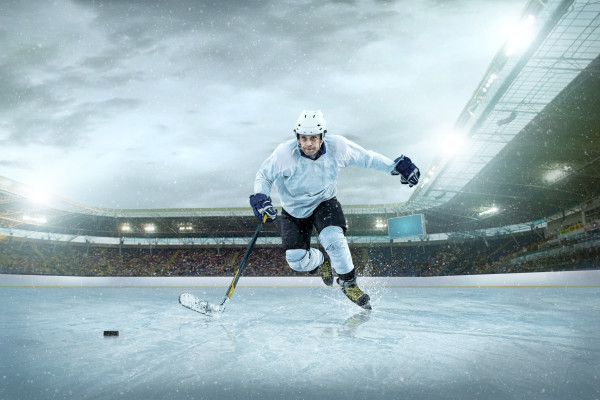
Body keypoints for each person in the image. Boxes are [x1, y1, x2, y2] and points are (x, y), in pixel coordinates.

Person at [250, 110, 420, 309]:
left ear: (323, 136)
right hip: (293, 211)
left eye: (313, 138)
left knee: (333, 239)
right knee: (295, 260)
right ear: (297, 137)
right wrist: (262, 198)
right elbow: (263, 176)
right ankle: (321, 261)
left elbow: (368, 158)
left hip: (324, 202)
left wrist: (394, 167)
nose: (308, 144)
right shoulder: (283, 155)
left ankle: (349, 283)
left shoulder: (338, 148)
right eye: (303, 138)